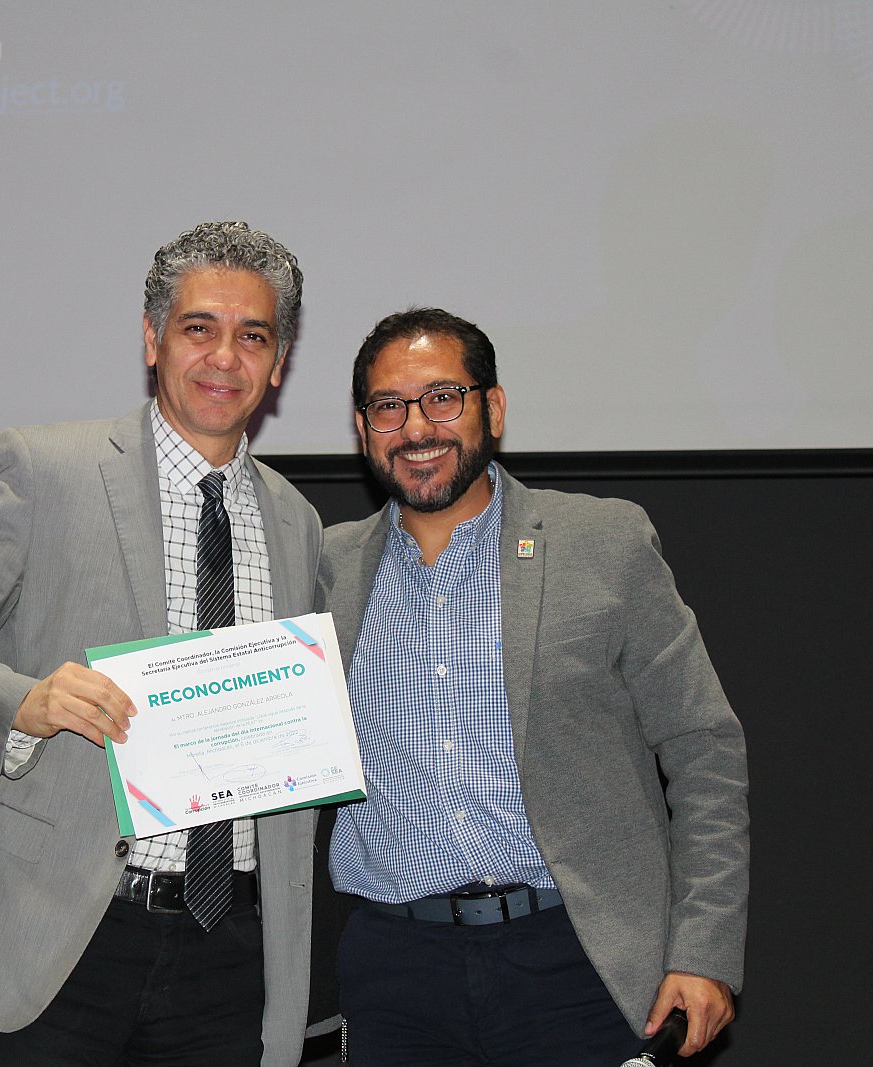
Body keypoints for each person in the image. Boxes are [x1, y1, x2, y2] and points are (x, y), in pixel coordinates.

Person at [0, 221, 322, 1067]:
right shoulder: (46, 468)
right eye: (199, 327)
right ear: (152, 339)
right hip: (53, 939)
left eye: (253, 336)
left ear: (279, 361)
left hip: (227, 954)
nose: (225, 357)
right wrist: (23, 702)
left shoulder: (297, 523)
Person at [316, 307, 749, 1065]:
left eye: (442, 397)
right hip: (395, 974)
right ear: (363, 428)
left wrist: (704, 949)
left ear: (493, 407)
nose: (416, 428)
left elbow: (703, 746)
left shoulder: (603, 544)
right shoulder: (320, 569)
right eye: (389, 406)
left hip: (579, 960)